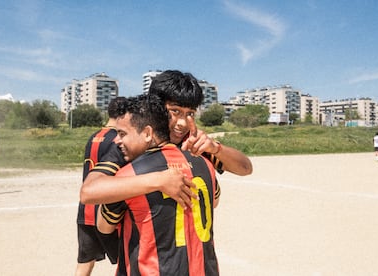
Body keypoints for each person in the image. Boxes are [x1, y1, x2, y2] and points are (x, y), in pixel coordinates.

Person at [81, 70, 252, 205]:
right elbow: (89, 192)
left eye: (190, 113)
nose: (182, 123)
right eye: (175, 112)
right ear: (157, 108)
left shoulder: (192, 143)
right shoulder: (136, 144)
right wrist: (159, 180)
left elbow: (245, 168)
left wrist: (216, 149)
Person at [97, 94, 220, 275]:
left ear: (147, 133)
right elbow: (214, 202)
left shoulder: (129, 176)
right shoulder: (205, 164)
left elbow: (103, 226)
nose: (117, 140)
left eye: (122, 134)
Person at [75, 97, 127, 276]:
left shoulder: (93, 137)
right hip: (106, 213)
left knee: (85, 262)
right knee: (125, 261)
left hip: (85, 211)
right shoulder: (118, 139)